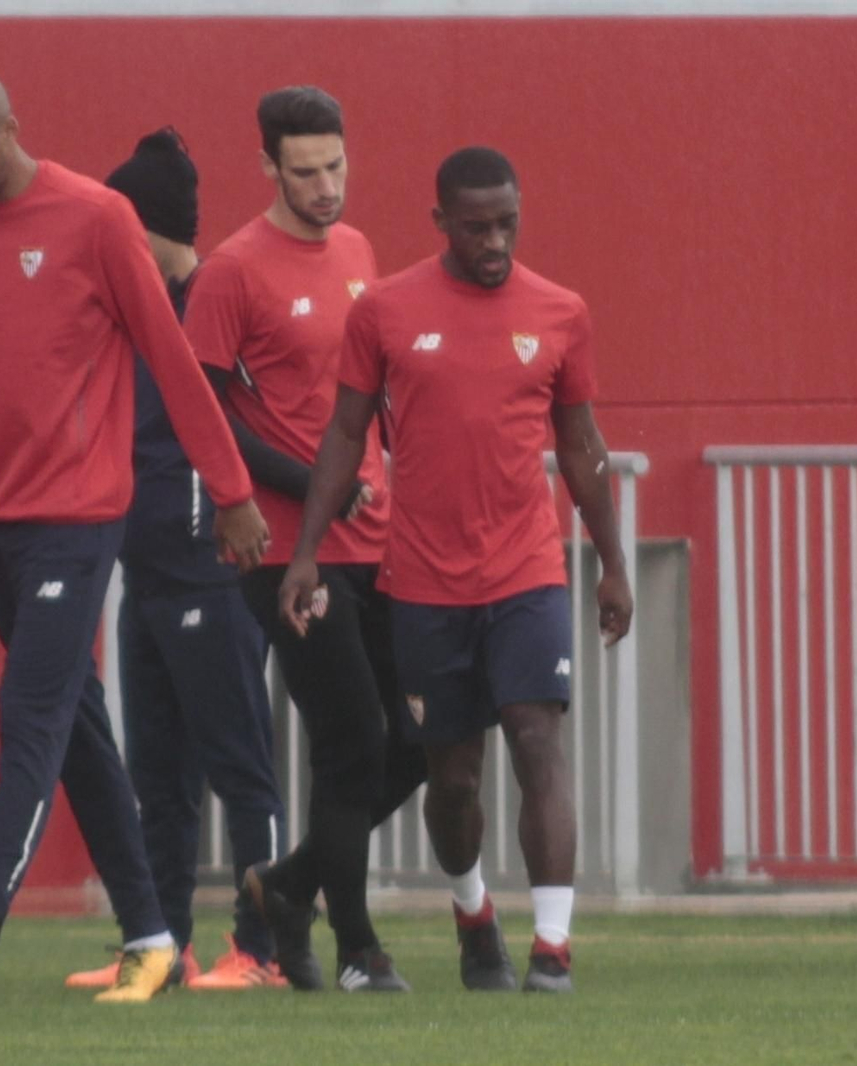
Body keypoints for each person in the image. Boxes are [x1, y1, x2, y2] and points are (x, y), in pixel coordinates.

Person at [0, 70, 269, 1004]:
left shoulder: (98, 219)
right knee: (77, 731)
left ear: (11, 131)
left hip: (79, 516)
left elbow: (173, 363)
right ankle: (152, 936)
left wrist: (231, 493)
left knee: (28, 715)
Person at [279, 146, 634, 994]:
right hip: (425, 585)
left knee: (537, 738)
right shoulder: (385, 311)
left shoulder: (559, 312)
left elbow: (581, 447)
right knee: (453, 778)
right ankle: (473, 912)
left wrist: (613, 563)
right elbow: (345, 434)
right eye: (477, 227)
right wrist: (306, 553)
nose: (495, 242)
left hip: (527, 572)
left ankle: (552, 949)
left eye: (508, 223)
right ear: (441, 222)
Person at [181, 86, 427, 994]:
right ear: (268, 167)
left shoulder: (358, 250)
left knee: (418, 741)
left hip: (379, 542)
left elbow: (367, 397)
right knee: (352, 738)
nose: (326, 187)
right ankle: (358, 948)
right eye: (305, 171)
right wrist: (304, 487)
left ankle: (288, 885)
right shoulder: (232, 271)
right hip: (289, 549)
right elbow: (202, 417)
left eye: (336, 165)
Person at [62, 128, 288, 993]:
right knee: (157, 777)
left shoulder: (210, 306)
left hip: (210, 572)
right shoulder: (130, 315)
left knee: (241, 767)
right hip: (144, 573)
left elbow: (244, 426)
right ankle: (161, 946)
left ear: (150, 229)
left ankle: (262, 950)